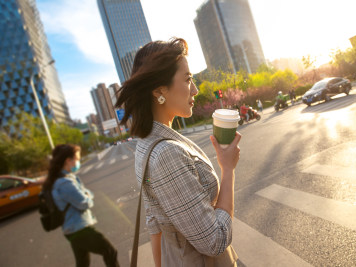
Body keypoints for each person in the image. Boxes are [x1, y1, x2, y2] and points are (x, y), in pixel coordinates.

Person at [115, 38, 240, 266]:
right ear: (159, 90)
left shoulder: (147, 141)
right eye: (188, 79)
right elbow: (214, 242)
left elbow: (155, 220)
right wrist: (228, 169)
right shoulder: (167, 153)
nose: (195, 89)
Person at [44, 144, 119, 267]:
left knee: (83, 263)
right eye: (77, 159)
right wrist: (88, 195)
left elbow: (84, 195)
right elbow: (84, 203)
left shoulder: (64, 179)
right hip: (79, 229)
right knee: (109, 251)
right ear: (68, 160)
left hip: (72, 230)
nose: (78, 162)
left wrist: (86, 194)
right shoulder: (65, 183)